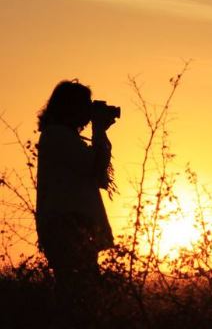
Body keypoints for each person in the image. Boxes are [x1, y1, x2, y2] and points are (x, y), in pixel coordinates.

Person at [35, 80, 116, 322]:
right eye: (84, 105)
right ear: (70, 107)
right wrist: (99, 131)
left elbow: (96, 173)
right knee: (78, 294)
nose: (87, 112)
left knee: (80, 292)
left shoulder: (61, 136)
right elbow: (95, 166)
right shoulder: (58, 136)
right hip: (67, 226)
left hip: (71, 225)